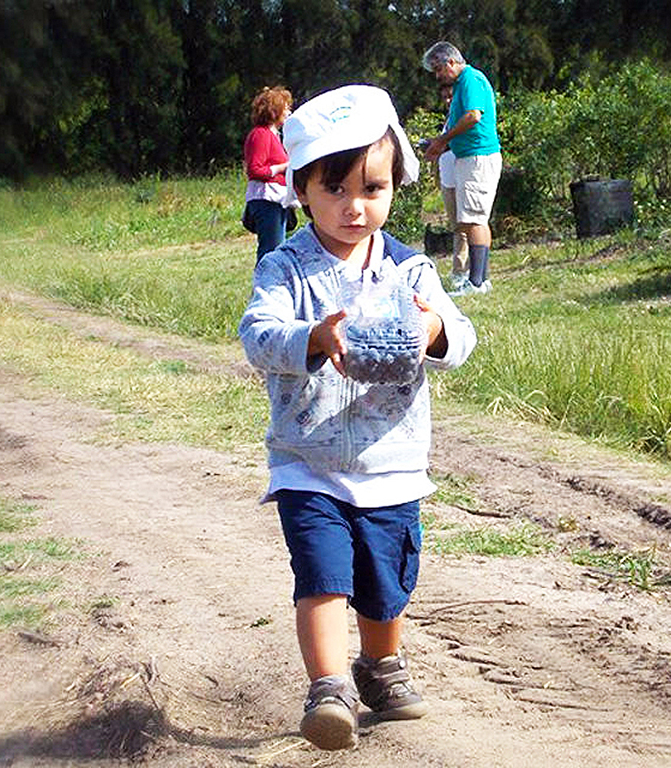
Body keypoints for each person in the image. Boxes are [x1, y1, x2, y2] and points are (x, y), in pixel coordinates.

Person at [238, 85, 477, 751]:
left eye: (372, 188)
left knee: (384, 583)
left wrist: (434, 329)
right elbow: (257, 335)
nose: (355, 206)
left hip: (391, 461)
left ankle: (380, 665)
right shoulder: (286, 268)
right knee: (323, 576)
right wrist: (312, 337)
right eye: (335, 189)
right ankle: (328, 687)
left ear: (395, 186)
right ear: (301, 190)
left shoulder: (409, 269)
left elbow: (460, 337)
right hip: (307, 461)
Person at [422, 41, 501, 296]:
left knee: (474, 220)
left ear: (451, 62)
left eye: (438, 69)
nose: (437, 76)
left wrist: (442, 140)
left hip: (478, 157)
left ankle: (476, 283)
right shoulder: (462, 84)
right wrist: (438, 144)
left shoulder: (470, 79)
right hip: (468, 156)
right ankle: (480, 279)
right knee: (471, 221)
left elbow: (473, 116)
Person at [243, 86, 294, 262]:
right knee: (271, 250)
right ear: (275, 111)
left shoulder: (273, 135)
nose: (288, 112)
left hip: (276, 200)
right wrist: (283, 167)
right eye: (285, 108)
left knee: (276, 248)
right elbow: (255, 169)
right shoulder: (261, 135)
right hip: (266, 200)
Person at [436, 83, 469, 288]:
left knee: (466, 225)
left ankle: (464, 271)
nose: (448, 101)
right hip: (447, 177)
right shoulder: (449, 120)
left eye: (451, 96)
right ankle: (460, 270)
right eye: (445, 97)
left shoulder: (462, 120)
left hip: (461, 174)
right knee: (456, 225)